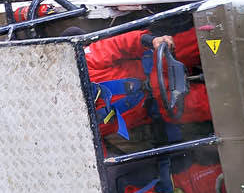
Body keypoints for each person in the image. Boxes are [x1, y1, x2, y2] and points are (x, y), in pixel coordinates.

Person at [83, 24, 212, 143]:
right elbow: (93, 155)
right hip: (161, 103)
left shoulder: (81, 67)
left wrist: (151, 41)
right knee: (205, 105)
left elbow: (118, 45)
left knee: (189, 42)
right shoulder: (84, 132)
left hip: (157, 63)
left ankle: (218, 29)